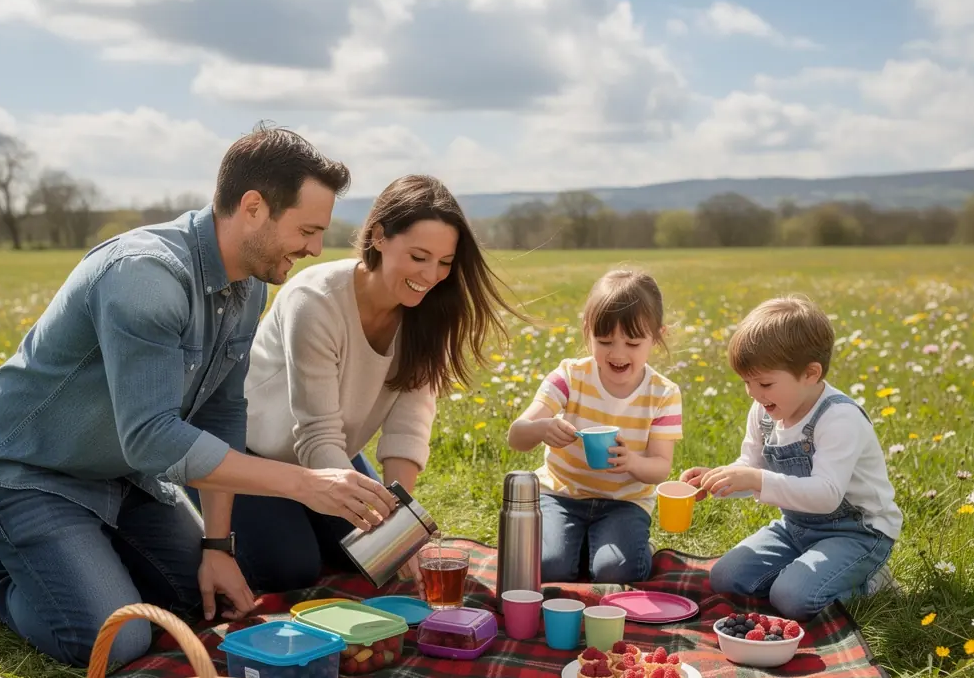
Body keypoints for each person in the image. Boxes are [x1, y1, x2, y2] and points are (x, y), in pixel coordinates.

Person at [0, 125, 397, 667]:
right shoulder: (145, 277)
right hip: (26, 472)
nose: (314, 248)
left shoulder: (249, 283)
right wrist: (305, 484)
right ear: (253, 207)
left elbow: (223, 414)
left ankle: (79, 556)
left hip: (122, 475)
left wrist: (218, 546)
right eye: (306, 229)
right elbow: (150, 437)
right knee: (117, 640)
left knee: (205, 601)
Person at [225, 174, 517, 590]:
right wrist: (390, 527)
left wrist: (399, 514)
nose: (431, 274)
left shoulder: (426, 313)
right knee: (291, 569)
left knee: (373, 558)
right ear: (379, 236)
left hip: (331, 458)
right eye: (418, 256)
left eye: (445, 262)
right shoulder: (316, 301)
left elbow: (407, 429)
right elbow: (317, 436)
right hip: (255, 457)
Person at [681, 296, 901, 620]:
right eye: (747, 383)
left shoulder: (839, 418)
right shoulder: (765, 410)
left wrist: (755, 479)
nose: (754, 393)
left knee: (792, 599)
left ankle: (870, 581)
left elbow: (826, 495)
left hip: (858, 533)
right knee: (725, 578)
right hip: (796, 527)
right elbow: (751, 468)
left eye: (765, 383)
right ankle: (805, 570)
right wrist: (720, 479)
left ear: (811, 373)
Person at [508, 269, 682, 584]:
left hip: (624, 503)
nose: (617, 353)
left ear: (657, 337)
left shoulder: (663, 393)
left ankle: (619, 547)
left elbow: (660, 468)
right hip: (561, 494)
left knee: (614, 573)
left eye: (632, 342)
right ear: (587, 331)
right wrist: (542, 428)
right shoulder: (570, 377)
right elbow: (516, 435)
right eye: (604, 341)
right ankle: (584, 545)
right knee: (548, 568)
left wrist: (631, 463)